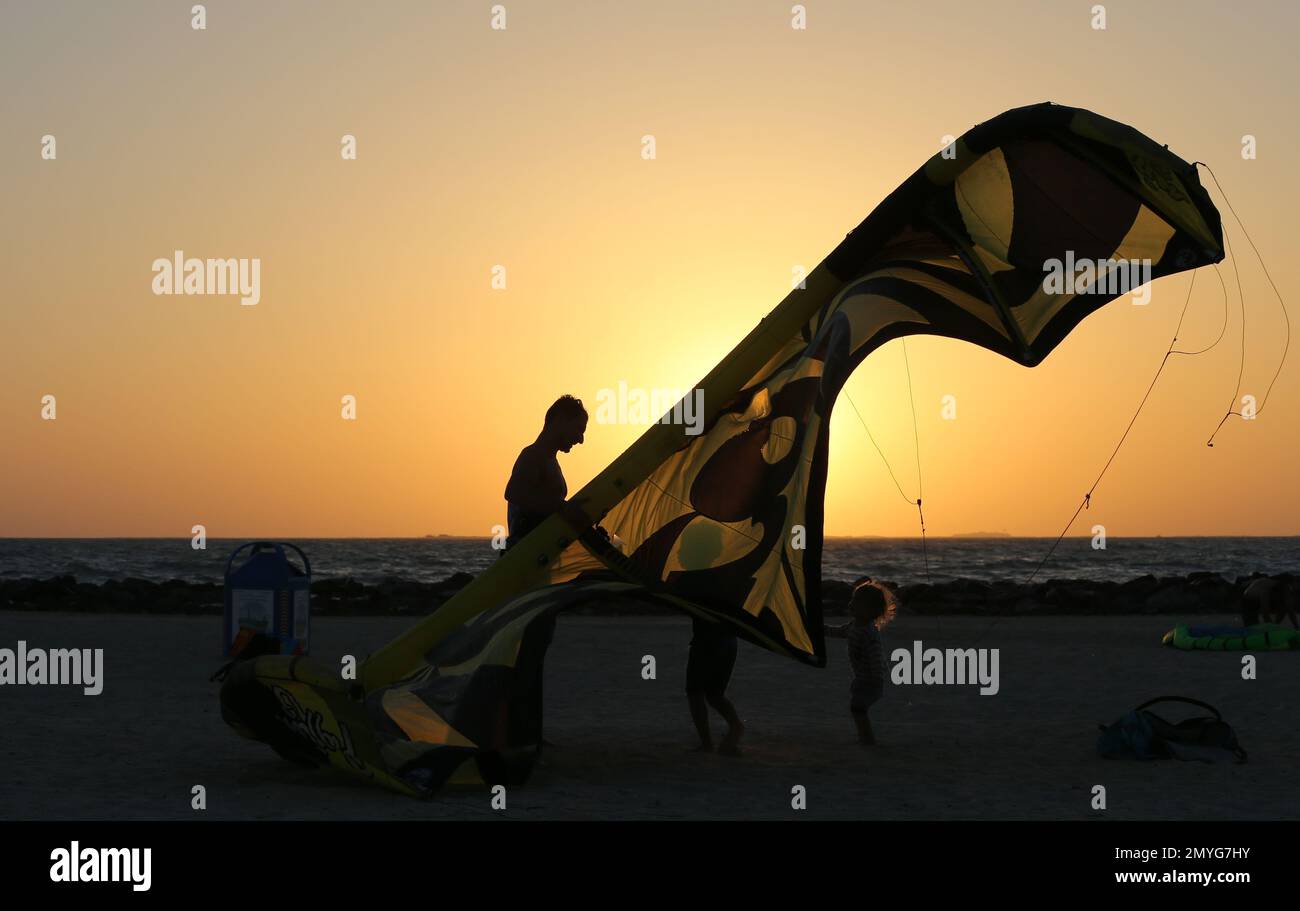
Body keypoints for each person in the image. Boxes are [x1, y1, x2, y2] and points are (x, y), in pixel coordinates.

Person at [501, 395, 588, 760]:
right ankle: (518, 732)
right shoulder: (533, 455)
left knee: (537, 650)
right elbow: (514, 494)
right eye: (578, 431)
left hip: (543, 566)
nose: (580, 440)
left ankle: (530, 730)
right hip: (526, 567)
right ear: (559, 421)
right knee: (526, 651)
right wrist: (563, 510)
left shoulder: (550, 460)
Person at [824, 579, 896, 746]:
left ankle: (867, 739)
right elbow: (838, 632)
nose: (851, 604)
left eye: (856, 602)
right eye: (852, 599)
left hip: (872, 681)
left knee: (858, 708)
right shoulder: (854, 626)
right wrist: (822, 629)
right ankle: (864, 737)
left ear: (870, 610)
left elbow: (876, 656)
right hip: (861, 679)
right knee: (857, 709)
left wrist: (877, 677)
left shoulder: (869, 633)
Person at [687, 615, 743, 755]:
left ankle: (707, 745)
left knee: (695, 693)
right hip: (729, 641)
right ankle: (736, 726)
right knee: (714, 694)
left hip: (706, 642)